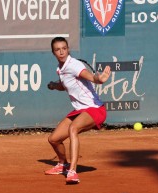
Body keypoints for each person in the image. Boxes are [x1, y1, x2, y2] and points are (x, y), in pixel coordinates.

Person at [44, 37, 111, 184]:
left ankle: (72, 172)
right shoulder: (60, 69)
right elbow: (65, 84)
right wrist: (54, 86)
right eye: (57, 49)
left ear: (68, 49)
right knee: (54, 139)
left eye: (64, 48)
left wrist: (99, 79)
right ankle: (63, 164)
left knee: (73, 129)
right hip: (80, 110)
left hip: (94, 109)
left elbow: (89, 76)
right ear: (53, 52)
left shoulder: (74, 65)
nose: (61, 52)